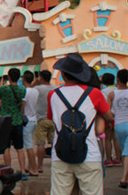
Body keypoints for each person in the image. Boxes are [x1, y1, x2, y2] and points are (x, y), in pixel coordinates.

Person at [47, 53, 113, 195]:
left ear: (63, 75)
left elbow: (52, 119)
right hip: (89, 155)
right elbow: (109, 117)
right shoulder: (94, 93)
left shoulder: (53, 95)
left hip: (60, 154)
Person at [0, 67, 26, 177]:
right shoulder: (22, 90)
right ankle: (23, 171)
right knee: (19, 148)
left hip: (6, 122)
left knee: (6, 148)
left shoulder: (4, 89)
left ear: (9, 77)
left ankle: (8, 170)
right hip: (18, 121)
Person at [32, 70, 56, 174]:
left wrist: (35, 81)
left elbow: (30, 91)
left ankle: (40, 166)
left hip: (41, 119)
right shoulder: (55, 88)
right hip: (53, 119)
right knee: (54, 143)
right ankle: (56, 164)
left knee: (40, 143)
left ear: (41, 77)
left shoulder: (37, 89)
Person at [108, 69, 128, 188]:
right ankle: (125, 177)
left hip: (119, 125)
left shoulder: (112, 94)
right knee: (126, 152)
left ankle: (124, 178)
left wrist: (111, 121)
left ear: (118, 79)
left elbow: (108, 111)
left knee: (125, 151)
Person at [21, 70, 39, 176]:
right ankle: (30, 166)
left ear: (24, 79)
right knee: (30, 144)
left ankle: (34, 169)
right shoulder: (35, 91)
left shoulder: (25, 92)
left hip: (27, 120)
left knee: (28, 146)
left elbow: (23, 107)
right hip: (34, 118)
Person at [102, 72, 122, 166]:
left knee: (107, 139)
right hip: (118, 117)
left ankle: (108, 159)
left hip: (108, 116)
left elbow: (104, 106)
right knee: (116, 139)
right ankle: (118, 158)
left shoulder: (103, 92)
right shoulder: (117, 90)